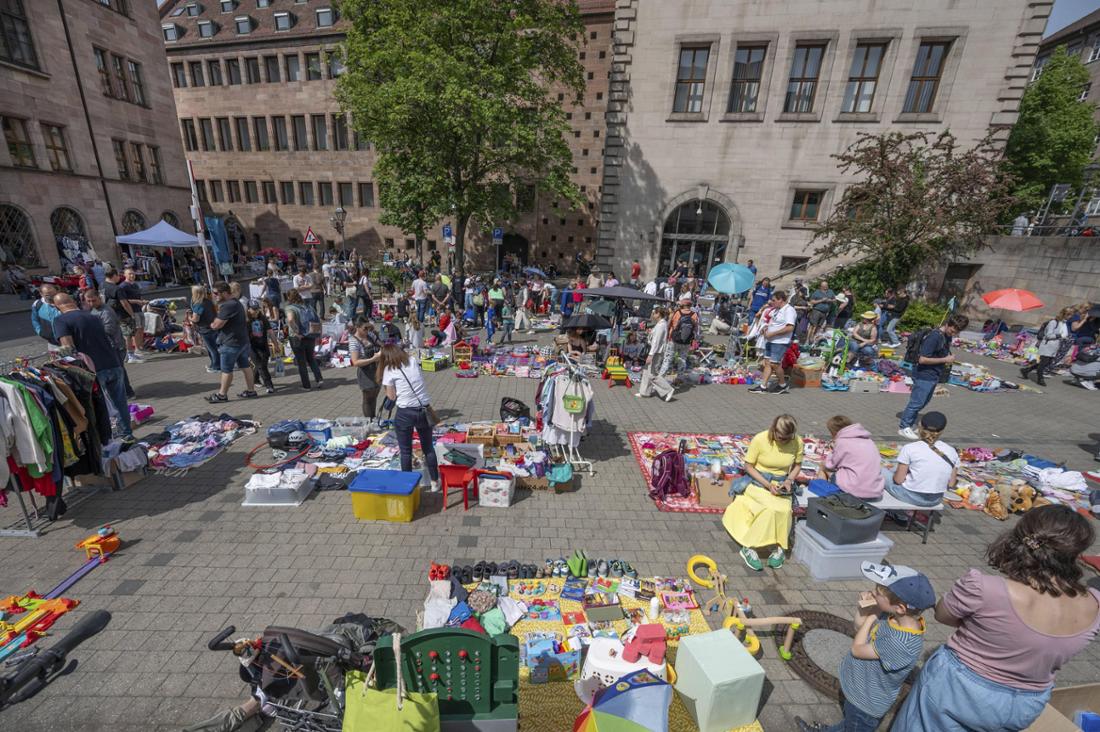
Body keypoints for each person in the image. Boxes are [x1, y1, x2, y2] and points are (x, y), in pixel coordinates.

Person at [893, 505, 1100, 731]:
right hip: (1025, 704)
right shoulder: (1095, 603)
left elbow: (943, 614)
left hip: (957, 690)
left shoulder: (983, 588)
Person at [796, 563, 933, 732]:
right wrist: (863, 609)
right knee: (848, 725)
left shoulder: (901, 642)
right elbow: (858, 628)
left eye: (878, 592)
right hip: (859, 691)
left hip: (866, 705)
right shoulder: (895, 617)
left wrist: (871, 617)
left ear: (900, 608)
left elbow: (857, 649)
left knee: (854, 726)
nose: (873, 592)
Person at [723, 414, 803, 570]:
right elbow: (748, 466)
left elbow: (797, 465)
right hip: (758, 481)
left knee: (785, 510)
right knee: (770, 509)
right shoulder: (760, 439)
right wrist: (767, 484)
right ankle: (750, 546)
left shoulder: (797, 441)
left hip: (781, 483)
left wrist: (788, 480)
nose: (784, 441)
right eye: (781, 438)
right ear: (774, 430)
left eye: (788, 438)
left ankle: (780, 547)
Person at [51, 293, 133, 442]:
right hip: (113, 362)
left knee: (98, 406)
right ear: (72, 301)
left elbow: (68, 347)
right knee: (119, 402)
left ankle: (106, 440)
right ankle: (126, 435)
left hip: (92, 369)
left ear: (56, 306)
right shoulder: (92, 316)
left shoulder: (60, 320)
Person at [379, 342, 440, 491]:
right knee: (428, 447)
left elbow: (391, 397)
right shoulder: (412, 361)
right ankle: (435, 481)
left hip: (405, 413)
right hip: (424, 410)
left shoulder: (388, 370)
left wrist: (386, 386)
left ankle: (409, 485)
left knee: (406, 451)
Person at [898, 314, 969, 439]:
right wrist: (945, 359)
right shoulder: (934, 337)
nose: (954, 334)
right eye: (953, 330)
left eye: (957, 332)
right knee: (916, 402)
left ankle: (909, 422)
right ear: (947, 324)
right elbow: (922, 359)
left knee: (924, 401)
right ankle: (904, 427)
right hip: (924, 374)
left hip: (934, 374)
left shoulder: (946, 336)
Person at [883, 411, 956, 511]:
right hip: (936, 499)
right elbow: (951, 483)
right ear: (942, 430)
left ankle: (892, 512)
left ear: (920, 426)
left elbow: (898, 480)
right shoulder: (951, 451)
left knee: (881, 471)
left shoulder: (910, 448)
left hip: (910, 496)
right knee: (896, 468)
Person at [204, 281, 257, 403]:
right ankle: (251, 391)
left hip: (231, 343)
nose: (214, 296)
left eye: (216, 293)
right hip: (242, 341)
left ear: (224, 293)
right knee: (245, 366)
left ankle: (222, 395)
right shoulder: (236, 303)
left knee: (226, 370)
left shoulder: (228, 305)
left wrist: (212, 324)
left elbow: (217, 325)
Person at [817, 415, 885, 500]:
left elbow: (830, 464)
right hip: (875, 492)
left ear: (834, 432)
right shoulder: (869, 441)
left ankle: (822, 496)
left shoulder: (842, 442)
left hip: (853, 491)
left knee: (823, 466)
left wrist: (832, 452)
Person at [83, 288, 134, 399]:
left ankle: (128, 392)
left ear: (99, 298)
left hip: (114, 346)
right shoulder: (92, 310)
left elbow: (108, 330)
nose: (91, 303)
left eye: (94, 300)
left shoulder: (106, 312)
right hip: (106, 346)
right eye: (88, 301)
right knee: (116, 370)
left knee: (118, 370)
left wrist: (91, 332)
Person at [749, 290, 797, 394]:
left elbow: (790, 327)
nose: (772, 302)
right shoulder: (776, 310)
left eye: (774, 300)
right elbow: (772, 323)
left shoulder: (789, 310)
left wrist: (773, 333)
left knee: (775, 364)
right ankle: (763, 386)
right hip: (770, 340)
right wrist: (765, 328)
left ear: (781, 300)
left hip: (780, 342)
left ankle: (782, 385)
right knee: (767, 363)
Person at [1020, 307, 1072, 387]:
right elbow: (1048, 335)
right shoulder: (1054, 322)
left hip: (1054, 347)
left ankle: (1026, 370)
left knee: (1046, 363)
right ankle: (1040, 378)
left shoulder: (1063, 323)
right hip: (1047, 345)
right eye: (1069, 315)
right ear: (1064, 314)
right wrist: (1060, 335)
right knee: (1044, 363)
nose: (1070, 317)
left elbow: (1063, 334)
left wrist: (1064, 337)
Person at [283, 288, 324, 390]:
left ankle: (306, 385)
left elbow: (290, 320)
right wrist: (319, 335)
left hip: (297, 338)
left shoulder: (290, 308)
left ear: (289, 297)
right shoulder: (307, 305)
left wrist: (297, 332)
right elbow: (318, 320)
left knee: (301, 362)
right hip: (310, 335)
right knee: (311, 358)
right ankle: (319, 379)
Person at [349, 319, 383, 428]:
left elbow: (381, 345)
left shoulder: (371, 335)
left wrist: (382, 349)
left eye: (369, 328)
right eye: (365, 328)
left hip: (377, 370)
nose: (367, 330)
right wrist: (373, 359)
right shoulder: (354, 341)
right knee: (368, 399)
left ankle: (373, 420)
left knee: (374, 396)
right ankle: (369, 422)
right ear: (357, 327)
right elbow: (355, 362)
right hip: (366, 373)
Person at [637, 308, 674, 402]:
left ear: (658, 314)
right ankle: (644, 392)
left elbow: (656, 342)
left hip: (656, 352)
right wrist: (650, 333)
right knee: (646, 371)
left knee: (652, 374)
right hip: (655, 351)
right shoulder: (660, 324)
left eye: (654, 313)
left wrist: (650, 355)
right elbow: (655, 338)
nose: (653, 315)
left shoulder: (661, 325)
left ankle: (668, 390)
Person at [245, 300, 275, 394]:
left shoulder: (263, 318)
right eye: (253, 309)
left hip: (263, 346)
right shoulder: (246, 320)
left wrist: (276, 344)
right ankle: (269, 385)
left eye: (257, 309)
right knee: (261, 366)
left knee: (262, 365)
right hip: (252, 347)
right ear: (248, 309)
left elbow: (270, 331)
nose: (256, 311)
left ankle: (255, 379)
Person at [189, 285, 220, 374]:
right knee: (213, 348)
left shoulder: (198, 304)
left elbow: (196, 319)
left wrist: (190, 318)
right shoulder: (208, 301)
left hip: (205, 329)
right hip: (213, 327)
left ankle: (216, 366)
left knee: (212, 349)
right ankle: (213, 364)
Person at [665, 297, 698, 377]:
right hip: (686, 341)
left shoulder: (677, 313)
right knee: (682, 359)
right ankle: (679, 378)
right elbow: (696, 329)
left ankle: (662, 377)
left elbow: (668, 325)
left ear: (682, 305)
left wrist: (666, 336)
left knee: (668, 359)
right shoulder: (694, 315)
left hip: (673, 339)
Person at [30, 283, 60, 348]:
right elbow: (34, 320)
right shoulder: (37, 304)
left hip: (69, 340)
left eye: (53, 294)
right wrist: (40, 332)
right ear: (41, 294)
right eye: (47, 295)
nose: (51, 296)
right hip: (52, 343)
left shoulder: (63, 301)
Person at [807, 279, 835, 345]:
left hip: (825, 312)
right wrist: (821, 300)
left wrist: (829, 300)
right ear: (821, 286)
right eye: (824, 286)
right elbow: (811, 301)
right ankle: (807, 339)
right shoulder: (817, 292)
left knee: (819, 326)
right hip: (817, 311)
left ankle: (813, 339)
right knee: (813, 326)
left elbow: (834, 299)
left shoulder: (830, 291)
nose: (826, 287)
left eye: (826, 285)